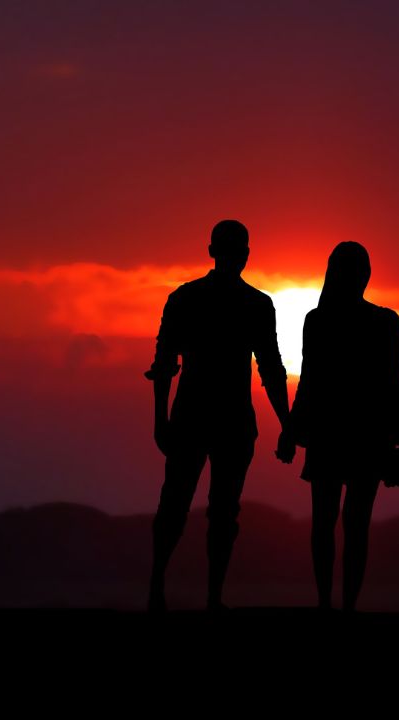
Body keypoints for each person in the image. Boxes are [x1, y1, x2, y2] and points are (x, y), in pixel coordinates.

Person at [144, 219, 297, 613]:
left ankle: (171, 590)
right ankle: (199, 594)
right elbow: (271, 370)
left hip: (203, 418)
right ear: (242, 254)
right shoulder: (252, 305)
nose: (235, 257)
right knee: (210, 509)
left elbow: (165, 365)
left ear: (213, 251)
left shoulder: (187, 299)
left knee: (187, 505)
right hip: (221, 420)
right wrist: (287, 425)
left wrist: (161, 421)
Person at [288, 241, 399, 612]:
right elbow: (396, 385)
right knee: (353, 525)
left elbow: (310, 382)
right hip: (363, 435)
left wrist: (292, 431)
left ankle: (327, 605)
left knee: (326, 523)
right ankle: (343, 607)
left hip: (333, 434)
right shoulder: (382, 321)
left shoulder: (319, 320)